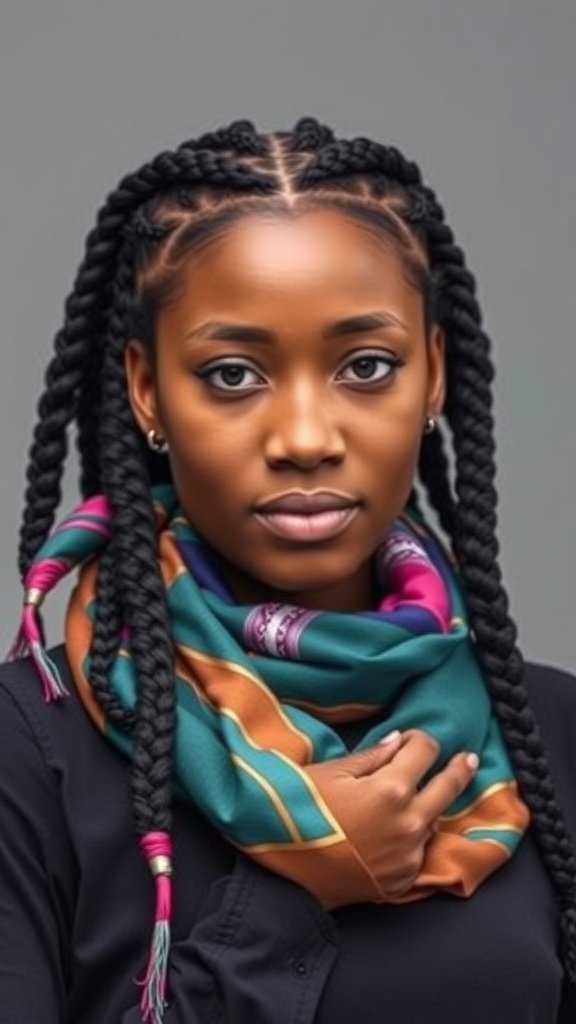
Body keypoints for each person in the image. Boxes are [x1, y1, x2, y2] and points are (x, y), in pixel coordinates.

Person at [0, 117, 575, 1024]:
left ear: (433, 374)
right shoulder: (30, 752)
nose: (306, 438)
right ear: (148, 391)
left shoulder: (552, 736)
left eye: (367, 366)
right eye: (233, 374)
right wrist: (295, 893)